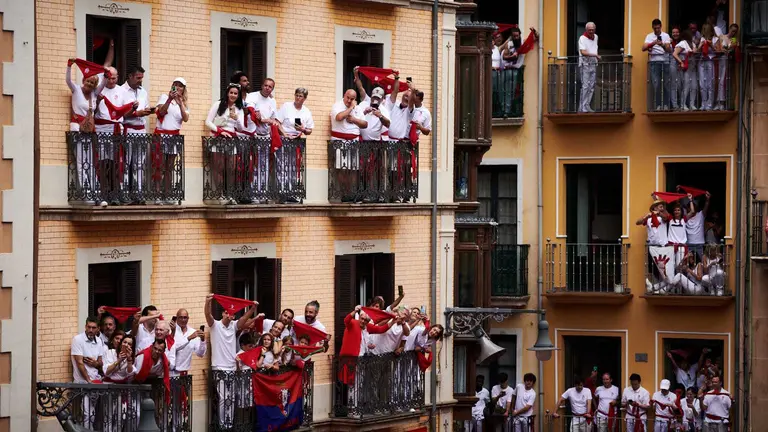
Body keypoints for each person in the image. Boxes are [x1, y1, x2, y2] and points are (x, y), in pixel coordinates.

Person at [204, 294, 257, 428]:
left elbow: (244, 319)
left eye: (232, 313)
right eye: (227, 312)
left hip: (232, 368)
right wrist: (208, 302)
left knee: (232, 398)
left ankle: (229, 424)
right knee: (223, 399)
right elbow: (207, 314)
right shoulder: (215, 325)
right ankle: (224, 426)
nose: (229, 315)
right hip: (219, 368)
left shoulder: (234, 326)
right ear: (223, 314)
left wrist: (252, 309)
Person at [66, 59, 106, 204]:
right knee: (81, 163)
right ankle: (87, 194)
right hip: (77, 129)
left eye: (92, 83)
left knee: (90, 162)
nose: (90, 85)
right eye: (88, 82)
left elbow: (103, 84)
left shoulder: (95, 95)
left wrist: (106, 75)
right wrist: (70, 66)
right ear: (84, 80)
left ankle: (97, 195)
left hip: (89, 130)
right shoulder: (76, 89)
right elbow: (68, 80)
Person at [205, 83, 245, 204]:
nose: (233, 95)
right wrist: (220, 131)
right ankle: (220, 195)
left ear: (238, 96)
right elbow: (208, 122)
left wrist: (236, 118)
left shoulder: (239, 109)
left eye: (235, 93)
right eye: (231, 93)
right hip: (218, 138)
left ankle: (230, 195)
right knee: (219, 168)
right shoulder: (218, 104)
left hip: (231, 140)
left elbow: (241, 128)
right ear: (227, 93)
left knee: (231, 168)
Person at [153, 77, 189, 203]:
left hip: (174, 137)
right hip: (162, 135)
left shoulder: (183, 103)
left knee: (169, 167)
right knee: (159, 165)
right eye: (176, 85)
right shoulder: (164, 97)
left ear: (184, 89)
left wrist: (180, 104)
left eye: (180, 86)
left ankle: (167, 194)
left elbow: (185, 118)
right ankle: (157, 194)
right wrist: (170, 99)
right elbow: (161, 112)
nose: (178, 88)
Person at [245, 78, 281, 201]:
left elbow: (274, 119)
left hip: (265, 137)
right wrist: (264, 120)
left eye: (270, 87)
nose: (267, 88)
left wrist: (268, 121)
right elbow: (251, 113)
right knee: (253, 164)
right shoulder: (252, 96)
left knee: (264, 166)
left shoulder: (272, 101)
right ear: (262, 85)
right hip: (253, 136)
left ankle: (262, 192)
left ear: (272, 89)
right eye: (265, 85)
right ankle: (254, 193)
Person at [276, 88, 314, 200]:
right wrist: (285, 134)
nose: (298, 98)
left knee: (293, 167)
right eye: (296, 95)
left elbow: (310, 130)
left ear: (304, 98)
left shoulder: (306, 111)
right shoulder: (287, 106)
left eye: (300, 96)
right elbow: (277, 122)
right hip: (285, 138)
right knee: (282, 166)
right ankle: (282, 192)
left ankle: (290, 192)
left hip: (297, 140)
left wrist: (303, 129)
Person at [121, 66, 152, 203]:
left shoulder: (143, 91)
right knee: (126, 161)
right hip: (129, 128)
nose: (140, 81)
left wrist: (147, 111)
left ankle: (139, 192)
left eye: (141, 78)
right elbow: (120, 113)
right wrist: (136, 113)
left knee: (140, 163)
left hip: (141, 129)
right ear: (130, 76)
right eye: (138, 78)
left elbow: (145, 106)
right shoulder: (121, 91)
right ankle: (125, 192)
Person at [101, 334, 137, 432]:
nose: (126, 345)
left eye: (129, 344)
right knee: (108, 416)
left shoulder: (132, 356)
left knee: (121, 417)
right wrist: (119, 360)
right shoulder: (110, 352)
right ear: (121, 343)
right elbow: (107, 372)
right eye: (124, 342)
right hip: (109, 387)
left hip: (123, 389)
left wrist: (129, 360)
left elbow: (130, 373)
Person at [643, 19, 672, 110]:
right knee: (656, 84)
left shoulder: (666, 35)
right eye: (655, 28)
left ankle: (666, 105)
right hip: (654, 62)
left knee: (666, 84)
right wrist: (653, 43)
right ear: (652, 27)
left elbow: (669, 50)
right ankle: (658, 105)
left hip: (665, 62)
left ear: (661, 27)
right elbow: (643, 48)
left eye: (658, 28)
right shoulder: (649, 36)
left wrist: (661, 44)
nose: (657, 30)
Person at [170, 308, 206, 377]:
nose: (183, 320)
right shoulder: (171, 330)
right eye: (180, 317)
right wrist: (189, 338)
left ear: (188, 318)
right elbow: (173, 348)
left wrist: (202, 340)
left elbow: (200, 354)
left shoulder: (192, 332)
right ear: (176, 318)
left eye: (185, 318)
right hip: (171, 372)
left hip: (184, 373)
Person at [714, 23, 739, 111]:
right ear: (729, 29)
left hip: (727, 62)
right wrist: (721, 49)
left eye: (735, 32)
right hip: (720, 60)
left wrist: (729, 49)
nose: (733, 33)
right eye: (732, 31)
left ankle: (722, 102)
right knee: (718, 80)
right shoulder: (721, 37)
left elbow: (732, 49)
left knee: (724, 81)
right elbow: (716, 47)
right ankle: (717, 102)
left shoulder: (733, 40)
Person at [672, 29, 696, 111]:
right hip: (685, 68)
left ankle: (692, 104)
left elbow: (696, 51)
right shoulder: (682, 43)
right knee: (686, 86)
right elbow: (674, 54)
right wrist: (681, 62)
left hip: (692, 68)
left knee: (694, 86)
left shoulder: (692, 44)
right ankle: (683, 104)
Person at [578, 22, 600, 113]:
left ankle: (587, 106)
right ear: (586, 29)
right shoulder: (582, 38)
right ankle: (582, 107)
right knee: (585, 86)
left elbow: (594, 47)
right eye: (589, 30)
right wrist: (595, 55)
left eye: (592, 29)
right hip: (585, 65)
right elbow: (583, 52)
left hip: (593, 64)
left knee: (591, 86)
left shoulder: (596, 37)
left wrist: (595, 58)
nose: (591, 31)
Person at [235, 333, 256, 411]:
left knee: (250, 400)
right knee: (242, 399)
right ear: (243, 345)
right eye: (249, 346)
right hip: (242, 381)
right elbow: (238, 371)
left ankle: (249, 421)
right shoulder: (239, 355)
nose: (251, 348)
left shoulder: (251, 353)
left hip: (251, 380)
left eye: (252, 346)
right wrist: (237, 362)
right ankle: (242, 421)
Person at [698, 24, 717, 111]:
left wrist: (711, 45)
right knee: (702, 84)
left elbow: (718, 50)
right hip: (702, 61)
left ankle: (710, 104)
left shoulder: (715, 39)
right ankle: (703, 103)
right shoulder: (702, 39)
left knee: (710, 84)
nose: (705, 31)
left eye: (706, 29)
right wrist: (700, 45)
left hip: (710, 61)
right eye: (704, 29)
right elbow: (697, 51)